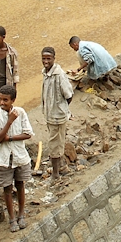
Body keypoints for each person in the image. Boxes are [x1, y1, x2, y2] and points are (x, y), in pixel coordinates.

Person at [0, 84, 33, 232]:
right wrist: (9, 122)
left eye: (5, 100)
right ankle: (12, 219)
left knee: (20, 185)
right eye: (0, 100)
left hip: (19, 156)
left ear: (13, 100)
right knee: (7, 189)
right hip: (3, 159)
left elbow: (28, 134)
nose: (2, 103)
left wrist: (10, 138)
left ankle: (21, 215)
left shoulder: (21, 112)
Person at [40, 47, 73, 184]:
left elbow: (69, 95)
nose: (46, 61)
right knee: (58, 142)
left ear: (54, 58)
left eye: (48, 58)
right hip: (49, 115)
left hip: (57, 116)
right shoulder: (45, 73)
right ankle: (61, 167)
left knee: (54, 145)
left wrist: (61, 109)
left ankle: (55, 174)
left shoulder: (59, 75)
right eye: (44, 58)